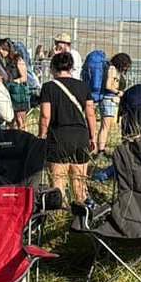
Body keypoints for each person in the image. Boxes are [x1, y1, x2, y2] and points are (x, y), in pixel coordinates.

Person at [38, 52, 97, 206]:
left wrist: (42, 136)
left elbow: (45, 116)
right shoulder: (84, 87)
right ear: (72, 68)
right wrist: (93, 137)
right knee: (80, 184)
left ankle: (58, 214)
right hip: (80, 136)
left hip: (58, 137)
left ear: (52, 69)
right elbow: (90, 114)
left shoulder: (48, 87)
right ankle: (81, 218)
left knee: (58, 184)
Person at [96, 53, 132, 154]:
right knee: (105, 126)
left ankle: (101, 147)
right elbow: (108, 85)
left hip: (111, 99)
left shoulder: (115, 70)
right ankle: (100, 150)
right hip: (108, 98)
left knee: (108, 126)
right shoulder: (112, 69)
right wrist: (118, 92)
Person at [0, 38, 31, 131]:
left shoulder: (18, 60)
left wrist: (13, 82)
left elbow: (24, 78)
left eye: (3, 49)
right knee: (9, 120)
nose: (0, 51)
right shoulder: (2, 61)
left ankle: (24, 140)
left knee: (21, 121)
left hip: (19, 94)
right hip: (8, 93)